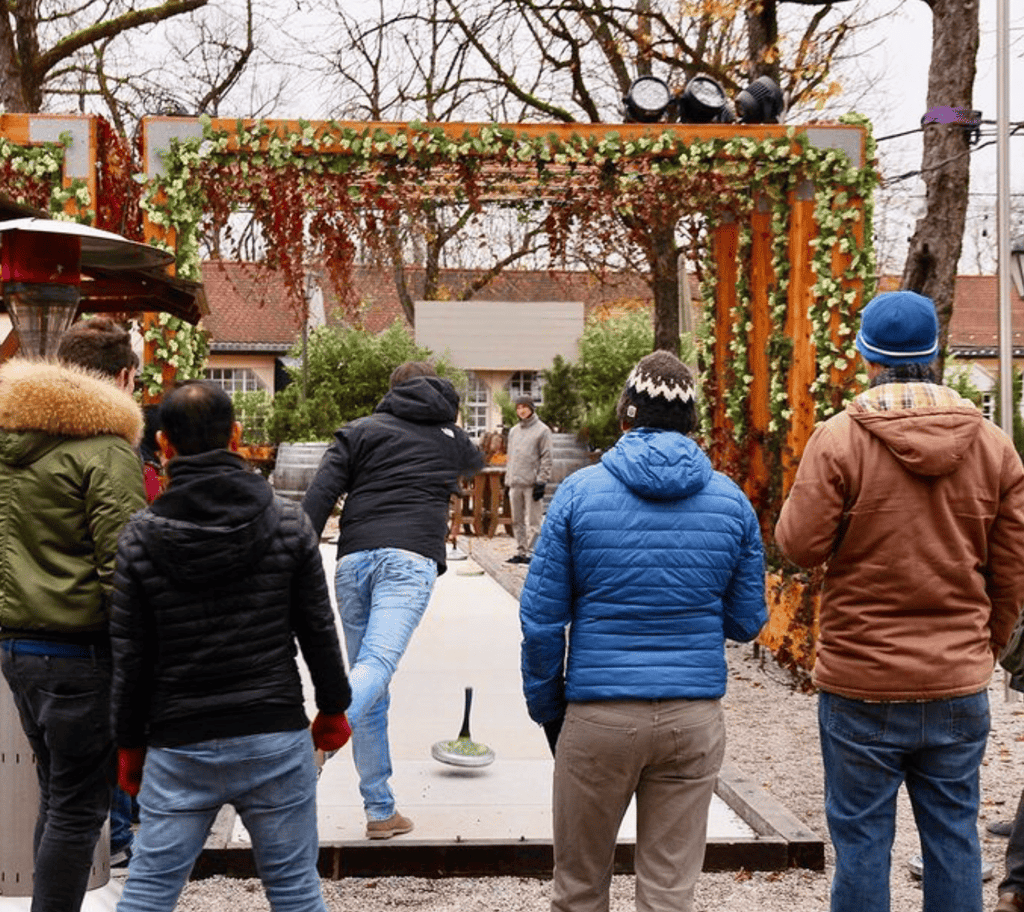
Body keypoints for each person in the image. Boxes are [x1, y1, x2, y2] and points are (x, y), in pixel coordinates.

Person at [774, 290, 1024, 912]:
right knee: (953, 839)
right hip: (955, 676)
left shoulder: (839, 440)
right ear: (935, 354)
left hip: (861, 679)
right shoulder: (992, 446)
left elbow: (798, 547)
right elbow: (1014, 571)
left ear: (867, 357)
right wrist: (984, 646)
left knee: (861, 844)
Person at [519, 350, 767, 912]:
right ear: (691, 424)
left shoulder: (579, 495)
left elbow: (541, 621)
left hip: (598, 715)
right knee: (668, 895)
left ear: (625, 414)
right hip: (692, 716)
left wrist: (547, 706)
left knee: (579, 889)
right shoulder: (731, 503)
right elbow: (747, 621)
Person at [110, 380, 352, 912]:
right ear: (237, 436)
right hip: (273, 732)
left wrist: (128, 747)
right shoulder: (288, 524)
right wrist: (333, 709)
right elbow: (318, 629)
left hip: (178, 742)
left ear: (164, 444)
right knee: (295, 890)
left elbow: (132, 657)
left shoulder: (140, 537)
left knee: (148, 891)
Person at [0, 317, 146, 912]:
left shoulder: (9, 441)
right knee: (79, 808)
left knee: (58, 798)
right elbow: (126, 569)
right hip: (80, 653)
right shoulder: (105, 451)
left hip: (16, 647)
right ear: (121, 377)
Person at [303, 361, 483, 839]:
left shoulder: (359, 431)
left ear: (392, 392)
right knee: (377, 667)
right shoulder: (452, 439)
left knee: (371, 682)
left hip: (354, 560)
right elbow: (475, 463)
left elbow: (317, 500)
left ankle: (380, 810)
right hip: (409, 561)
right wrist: (451, 428)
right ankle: (312, 745)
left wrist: (291, 564)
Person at [504, 394, 552, 564]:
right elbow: (511, 457)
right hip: (515, 483)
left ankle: (532, 553)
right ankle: (521, 551)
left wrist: (541, 481)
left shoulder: (543, 430)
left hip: (532, 483)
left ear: (531, 408)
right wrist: (507, 479)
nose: (521, 410)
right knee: (517, 521)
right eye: (518, 407)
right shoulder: (513, 431)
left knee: (534, 521)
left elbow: (546, 458)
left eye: (524, 407)